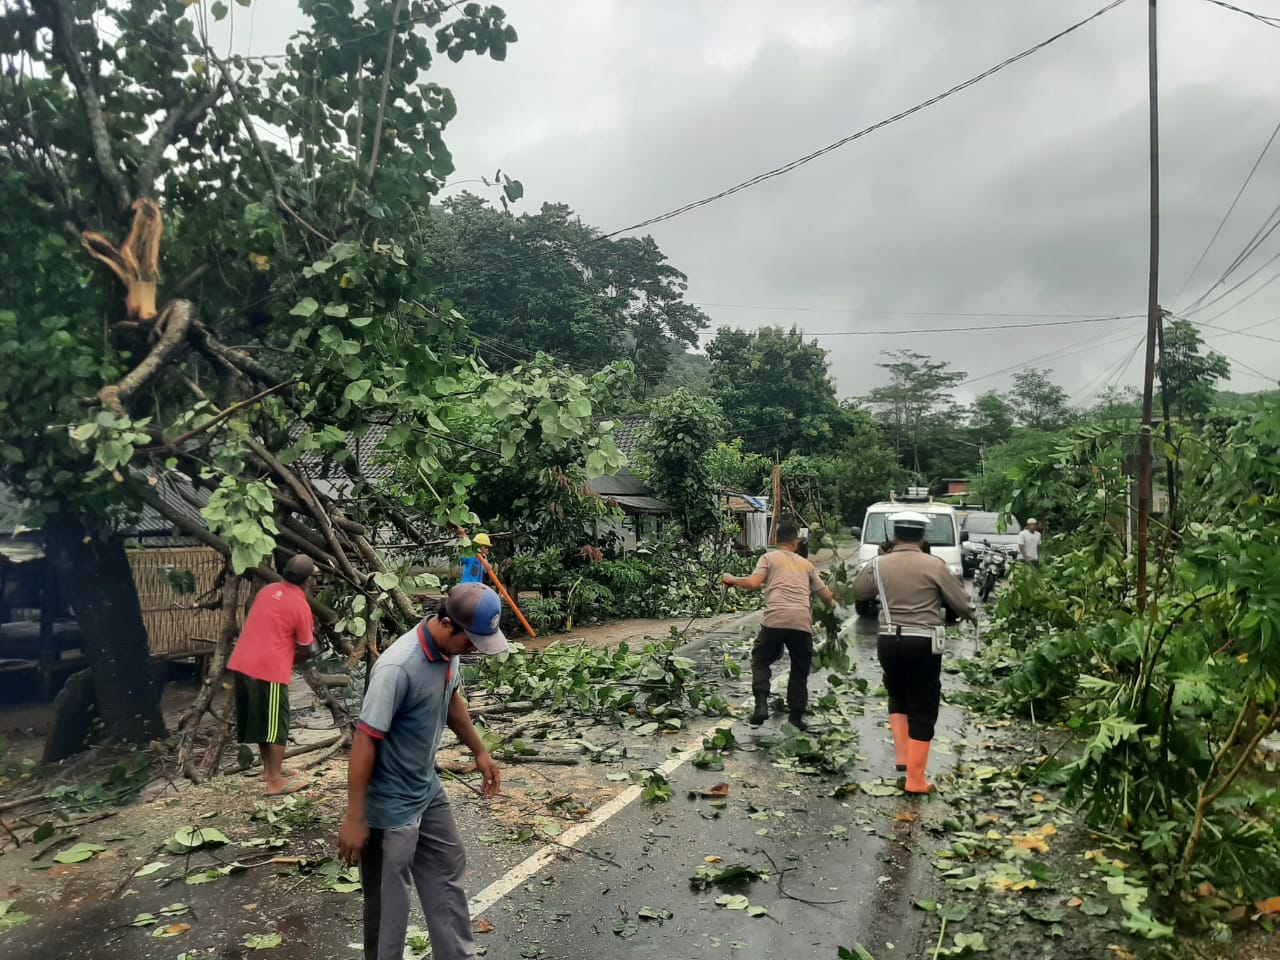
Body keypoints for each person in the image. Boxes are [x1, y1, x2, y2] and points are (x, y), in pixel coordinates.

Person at [338, 582, 508, 960]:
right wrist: (355, 815)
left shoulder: (451, 652)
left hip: (425, 789)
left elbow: (450, 699)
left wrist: (479, 750)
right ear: (447, 624)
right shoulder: (397, 667)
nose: (473, 649)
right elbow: (364, 740)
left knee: (448, 869)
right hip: (389, 805)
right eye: (471, 641)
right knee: (389, 904)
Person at [853, 512, 975, 795]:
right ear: (922, 538)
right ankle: (916, 780)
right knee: (923, 703)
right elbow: (961, 602)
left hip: (888, 641)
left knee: (897, 694)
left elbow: (859, 591)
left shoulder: (879, 564)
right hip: (923, 642)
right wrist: (970, 615)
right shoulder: (935, 565)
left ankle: (902, 757)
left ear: (895, 536)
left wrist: (879, 559)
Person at [722, 522, 836, 730]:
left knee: (761, 660)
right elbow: (827, 597)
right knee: (799, 669)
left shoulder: (769, 558)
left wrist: (731, 579)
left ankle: (761, 704)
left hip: (775, 620)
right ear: (795, 543)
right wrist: (836, 603)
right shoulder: (806, 565)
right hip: (801, 623)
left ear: (775, 541)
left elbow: (753, 583)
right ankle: (796, 717)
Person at [226, 554, 318, 796]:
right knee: (277, 723)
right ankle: (275, 781)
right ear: (308, 580)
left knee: (261, 719)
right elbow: (307, 647)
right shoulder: (300, 606)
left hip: (243, 661)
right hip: (269, 668)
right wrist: (289, 660)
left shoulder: (267, 591)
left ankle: (269, 770)